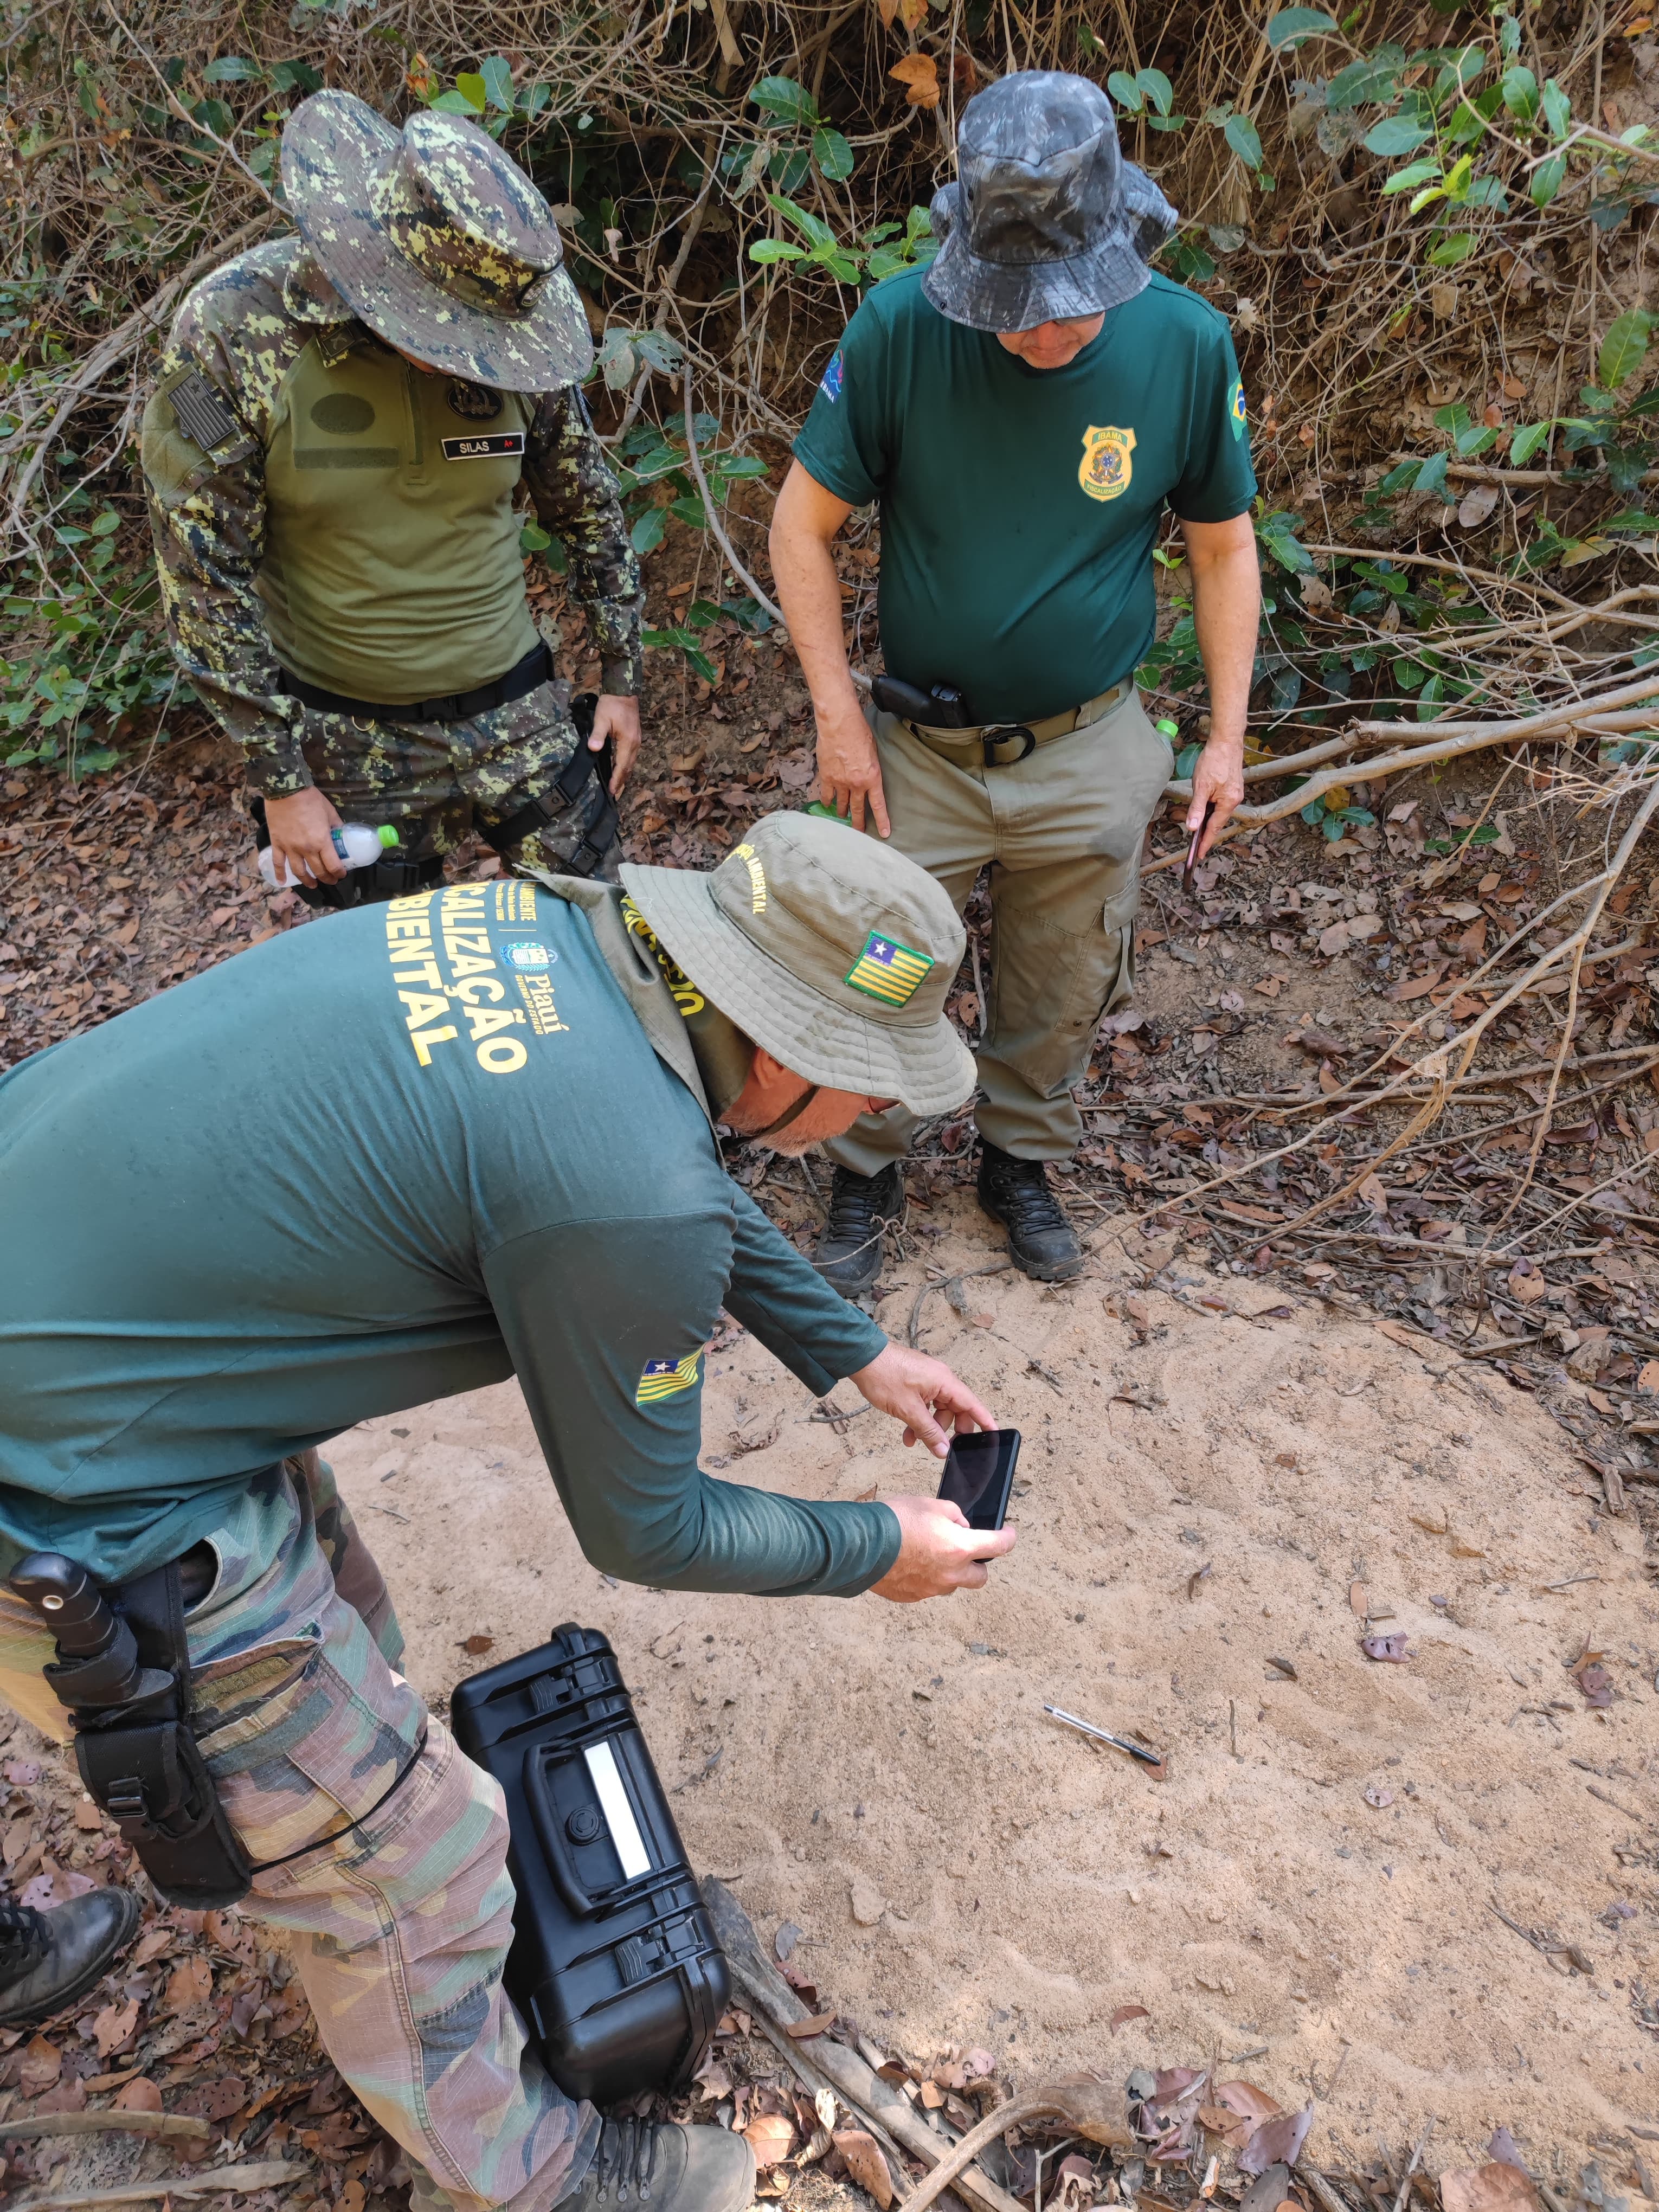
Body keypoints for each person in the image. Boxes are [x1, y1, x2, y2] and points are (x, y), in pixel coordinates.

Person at [0, 811, 1013, 2212]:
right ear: (777, 1050)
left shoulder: (566, 940)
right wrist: (876, 1550)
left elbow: (663, 1167)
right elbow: (645, 1528)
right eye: (866, 1082)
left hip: (94, 1320)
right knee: (414, 1861)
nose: (873, 1115)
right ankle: (540, 2179)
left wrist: (849, 1348)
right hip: (69, 1488)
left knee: (347, 1624)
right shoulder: (629, 1190)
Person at [770, 69, 1261, 1293]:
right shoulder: (897, 329)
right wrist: (837, 718)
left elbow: (1223, 545)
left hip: (1092, 742)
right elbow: (799, 528)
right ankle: (864, 1170)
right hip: (919, 749)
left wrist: (1225, 738)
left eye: (1066, 306)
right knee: (883, 963)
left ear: (1116, 241)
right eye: (1014, 307)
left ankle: (1018, 1161)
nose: (1040, 331)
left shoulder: (1186, 344)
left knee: (1066, 970)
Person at [143, 90, 642, 909]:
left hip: (517, 712)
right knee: (393, 991)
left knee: (600, 947)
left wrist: (622, 675)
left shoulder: (512, 335)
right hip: (347, 736)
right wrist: (281, 780)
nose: (472, 356)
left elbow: (588, 506)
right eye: (451, 330)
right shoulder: (236, 330)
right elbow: (201, 577)